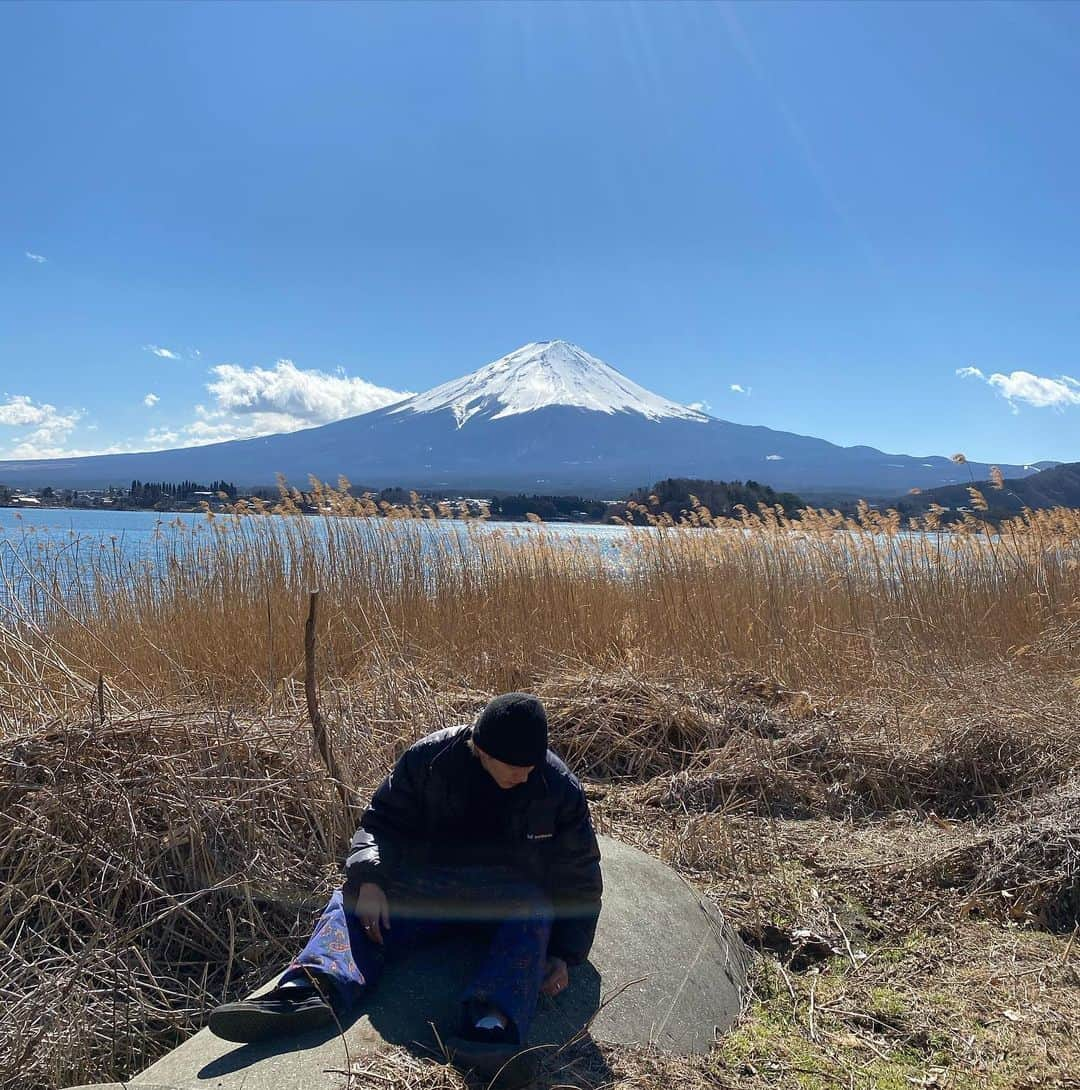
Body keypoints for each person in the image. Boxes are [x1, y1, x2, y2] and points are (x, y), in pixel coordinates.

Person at [208, 692, 603, 1084]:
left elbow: (579, 875)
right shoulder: (429, 760)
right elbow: (380, 823)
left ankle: (488, 1031)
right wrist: (371, 878)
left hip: (505, 903)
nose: (526, 774)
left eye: (532, 765)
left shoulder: (559, 787)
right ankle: (308, 990)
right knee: (351, 899)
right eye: (515, 766)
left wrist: (564, 953)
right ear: (481, 749)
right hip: (429, 890)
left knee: (534, 909)